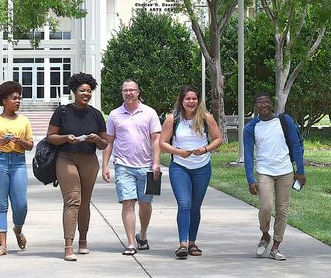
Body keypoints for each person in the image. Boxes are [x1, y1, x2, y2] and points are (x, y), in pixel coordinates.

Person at [46, 72, 108, 261]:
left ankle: (83, 240)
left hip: (89, 160)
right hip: (66, 158)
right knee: (72, 200)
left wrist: (97, 139)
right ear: (74, 91)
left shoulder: (96, 114)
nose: (86, 94)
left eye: (89, 91)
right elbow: (51, 137)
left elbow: (104, 143)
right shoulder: (62, 112)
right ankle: (68, 246)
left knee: (85, 202)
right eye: (82, 90)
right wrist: (66, 138)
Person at [159, 85, 223, 259]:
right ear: (181, 100)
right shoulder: (173, 119)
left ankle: (192, 242)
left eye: (194, 98)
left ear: (199, 100)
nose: (191, 101)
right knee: (184, 204)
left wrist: (205, 149)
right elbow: (162, 143)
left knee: (195, 206)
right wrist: (178, 152)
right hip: (180, 167)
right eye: (187, 98)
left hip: (202, 167)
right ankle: (182, 244)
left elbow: (218, 139)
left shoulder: (206, 118)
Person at [243, 92, 306, 261]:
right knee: (266, 207)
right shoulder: (251, 128)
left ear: (271, 103)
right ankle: (265, 235)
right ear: (255, 106)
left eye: (266, 102)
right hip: (264, 171)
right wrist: (250, 179)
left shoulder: (284, 121)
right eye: (259, 103)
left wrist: (300, 171)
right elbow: (248, 155)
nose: (263, 106)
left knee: (282, 209)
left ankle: (276, 246)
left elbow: (295, 145)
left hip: (285, 170)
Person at [102, 79, 161, 256]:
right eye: (125, 90)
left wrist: (156, 162)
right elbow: (109, 142)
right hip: (123, 166)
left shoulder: (149, 113)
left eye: (131, 90)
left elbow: (156, 140)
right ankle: (130, 242)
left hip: (147, 166)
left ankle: (142, 235)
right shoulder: (114, 115)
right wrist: (104, 165)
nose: (128, 93)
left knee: (145, 203)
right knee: (128, 203)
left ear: (138, 92)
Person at [0, 80, 34, 256]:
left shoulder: (24, 121)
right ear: (4, 101)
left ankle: (18, 229)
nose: (18, 101)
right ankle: (2, 245)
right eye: (14, 98)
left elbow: (30, 146)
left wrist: (21, 141)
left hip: (18, 162)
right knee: (0, 205)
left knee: (21, 205)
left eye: (19, 98)